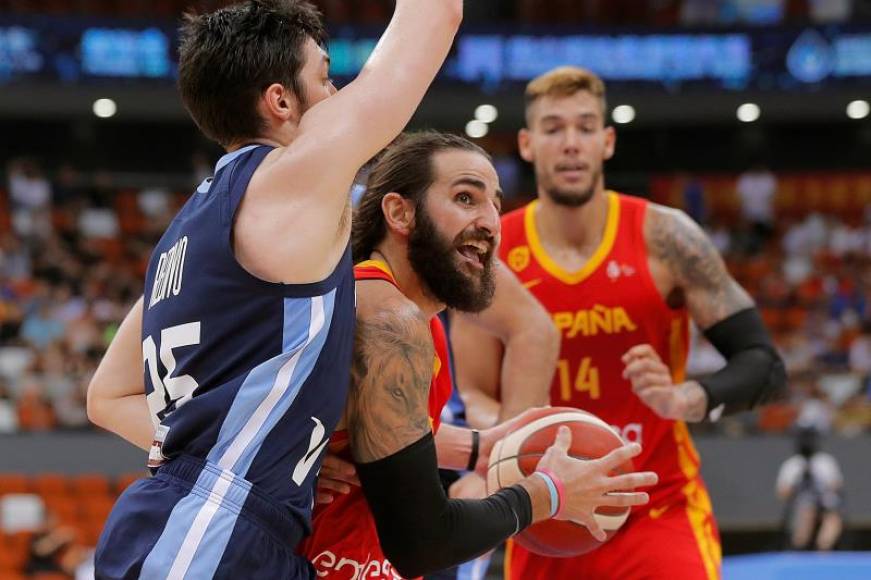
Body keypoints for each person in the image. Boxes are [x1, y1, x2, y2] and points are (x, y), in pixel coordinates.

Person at [85, 0, 465, 577]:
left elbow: (106, 397)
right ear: (281, 101)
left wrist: (249, 454)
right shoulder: (289, 183)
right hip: (210, 536)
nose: (338, 95)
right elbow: (435, 18)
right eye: (325, 77)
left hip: (187, 519)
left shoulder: (184, 234)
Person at [451, 66, 787, 580]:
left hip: (656, 506)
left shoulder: (667, 238)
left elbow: (764, 365)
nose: (570, 144)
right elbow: (474, 393)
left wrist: (686, 399)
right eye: (554, 128)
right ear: (526, 143)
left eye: (585, 128)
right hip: (549, 507)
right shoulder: (492, 251)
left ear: (606, 142)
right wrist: (512, 449)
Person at [299, 131, 658, 579]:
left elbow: (376, 429)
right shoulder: (390, 319)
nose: (490, 221)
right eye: (466, 198)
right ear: (399, 212)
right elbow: (424, 543)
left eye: (495, 203)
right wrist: (548, 493)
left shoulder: (416, 316)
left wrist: (482, 449)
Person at [776, 427, 844, 551]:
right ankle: (799, 552)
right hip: (803, 506)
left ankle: (823, 552)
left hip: (826, 504)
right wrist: (799, 479)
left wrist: (818, 479)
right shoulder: (792, 465)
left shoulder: (825, 461)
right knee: (807, 513)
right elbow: (782, 493)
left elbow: (836, 485)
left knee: (832, 520)